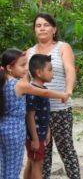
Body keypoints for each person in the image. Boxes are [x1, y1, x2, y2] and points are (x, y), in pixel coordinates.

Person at [25, 13, 81, 179]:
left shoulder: (63, 47)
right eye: (38, 25)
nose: (42, 28)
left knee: (66, 150)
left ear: (54, 29)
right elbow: (26, 80)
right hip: (36, 112)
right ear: (35, 30)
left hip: (60, 109)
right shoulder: (29, 53)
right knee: (42, 155)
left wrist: (68, 91)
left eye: (46, 25)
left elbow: (70, 70)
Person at [1, 50, 67, 179]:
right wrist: (63, 95)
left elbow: (25, 77)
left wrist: (21, 60)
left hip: (2, 127)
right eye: (22, 65)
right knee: (13, 168)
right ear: (9, 68)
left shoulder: (3, 82)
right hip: (15, 131)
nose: (25, 69)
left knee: (3, 165)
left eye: (26, 65)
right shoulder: (19, 85)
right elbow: (44, 93)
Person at [24, 55, 54, 179]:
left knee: (32, 163)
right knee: (37, 165)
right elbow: (30, 117)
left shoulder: (43, 89)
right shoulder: (32, 91)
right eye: (50, 70)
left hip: (40, 134)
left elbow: (44, 113)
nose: (53, 73)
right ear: (39, 72)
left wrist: (47, 129)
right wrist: (35, 139)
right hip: (33, 136)